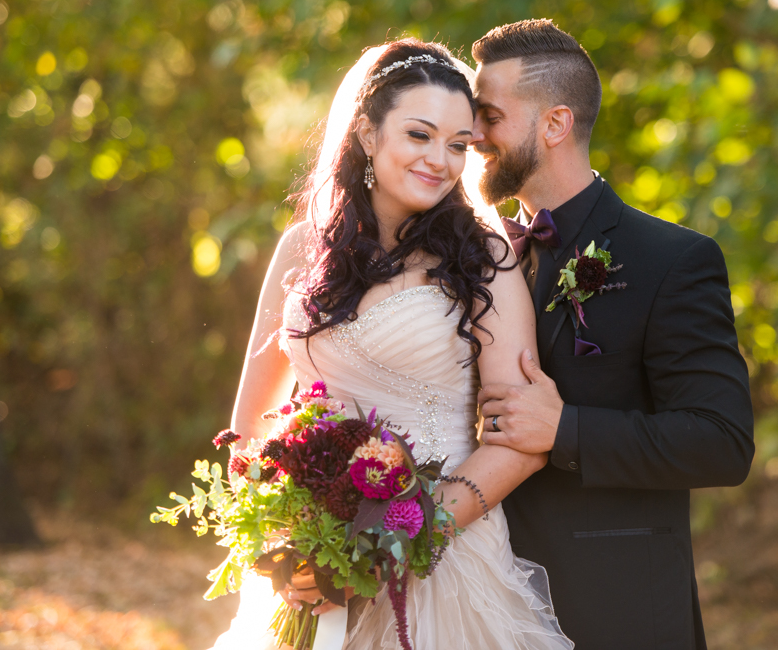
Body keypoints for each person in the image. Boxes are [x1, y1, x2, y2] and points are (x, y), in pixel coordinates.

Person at [209, 39, 573, 650]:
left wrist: (396, 544)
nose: (441, 159)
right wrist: (289, 541)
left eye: (458, 145)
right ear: (367, 134)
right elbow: (249, 432)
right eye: (419, 135)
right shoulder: (301, 248)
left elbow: (520, 442)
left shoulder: (485, 258)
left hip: (442, 559)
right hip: (314, 556)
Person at [470, 20, 755, 649]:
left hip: (615, 607)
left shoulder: (672, 260)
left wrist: (565, 430)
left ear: (555, 124)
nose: (472, 135)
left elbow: (723, 441)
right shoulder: (474, 259)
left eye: (489, 116)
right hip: (484, 596)